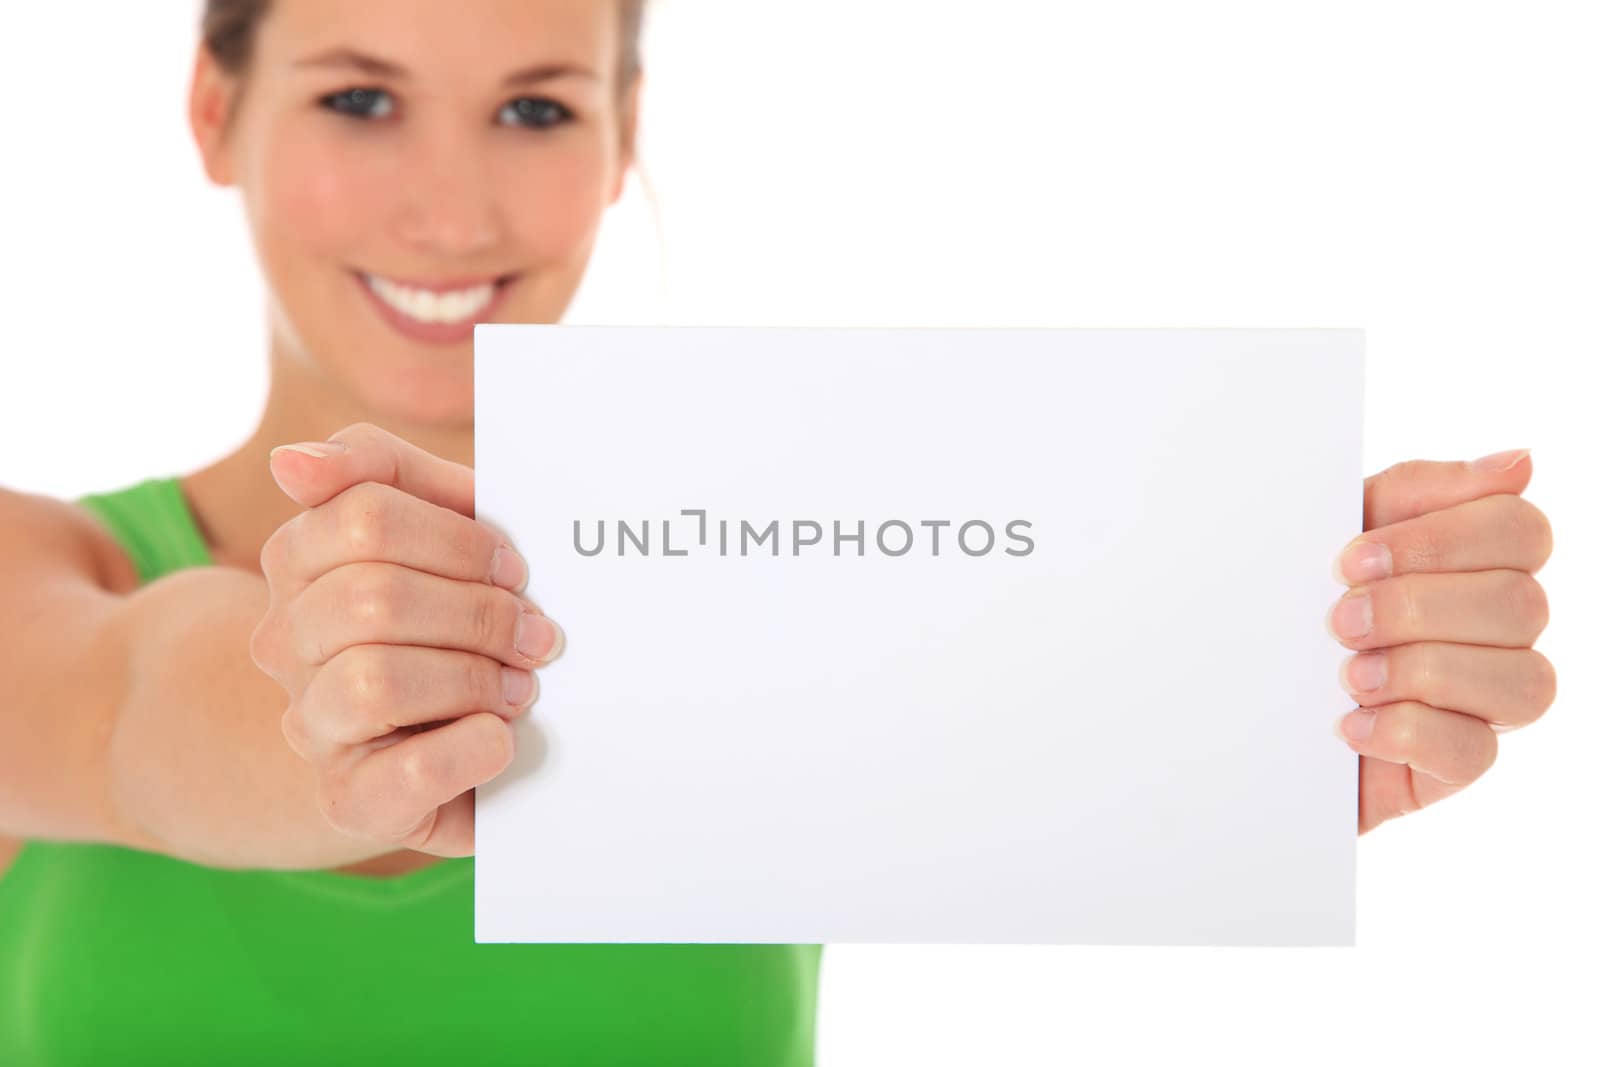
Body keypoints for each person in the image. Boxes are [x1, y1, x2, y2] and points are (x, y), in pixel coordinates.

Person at [0, 0, 1556, 1062]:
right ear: (214, 111)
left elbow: (1065, 740)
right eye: (360, 98)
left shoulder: (801, 599)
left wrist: (1269, 688)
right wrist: (332, 712)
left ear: (621, 140)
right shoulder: (36, 577)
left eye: (536, 107)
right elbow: (140, 709)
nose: (451, 212)